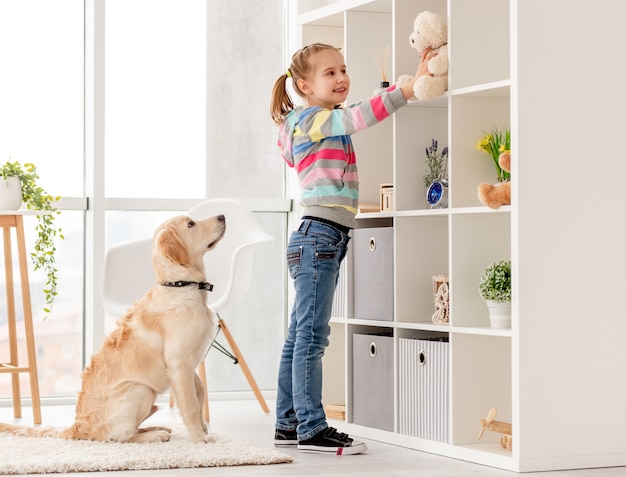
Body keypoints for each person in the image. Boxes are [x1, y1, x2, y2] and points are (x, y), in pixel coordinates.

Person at [270, 43, 434, 455]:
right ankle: (311, 428)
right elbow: (358, 116)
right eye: (330, 73)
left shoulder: (307, 121)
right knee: (311, 336)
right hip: (320, 237)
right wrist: (406, 92)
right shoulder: (313, 119)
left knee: (299, 334)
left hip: (319, 237)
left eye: (343, 69)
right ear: (304, 85)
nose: (341, 77)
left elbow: (355, 109)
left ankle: (288, 424)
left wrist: (402, 84)